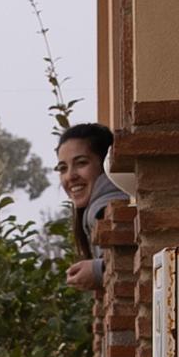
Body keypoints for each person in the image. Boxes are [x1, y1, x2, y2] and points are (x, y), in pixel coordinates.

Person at [54, 118, 120, 296]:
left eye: (81, 163)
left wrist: (100, 270)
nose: (70, 176)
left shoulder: (103, 210)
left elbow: (138, 260)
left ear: (106, 163)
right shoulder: (105, 205)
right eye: (63, 168)